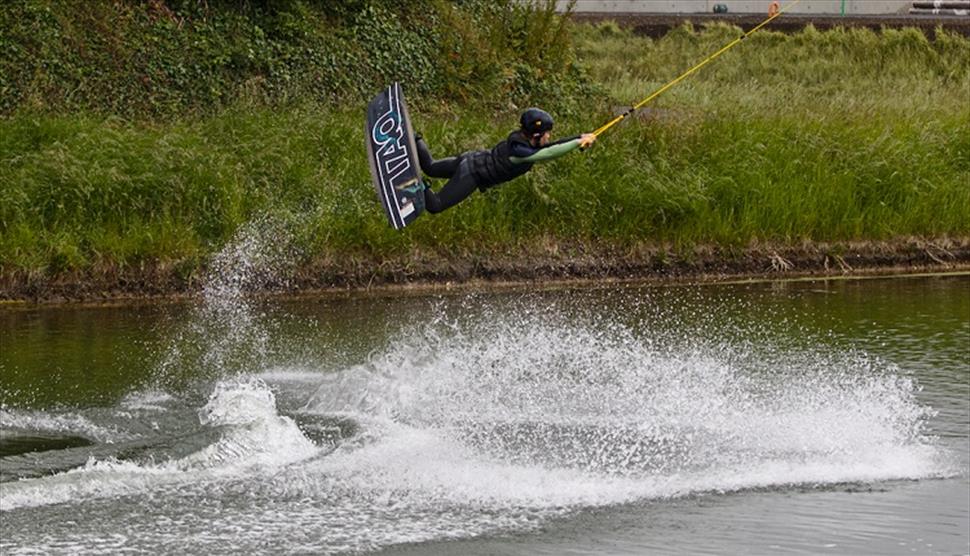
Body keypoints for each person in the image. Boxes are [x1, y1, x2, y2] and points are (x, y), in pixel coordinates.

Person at [416, 108, 597, 214]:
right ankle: (417, 184)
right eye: (548, 133)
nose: (550, 136)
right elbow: (549, 153)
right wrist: (577, 143)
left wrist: (581, 137)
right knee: (435, 205)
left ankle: (415, 140)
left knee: (431, 167)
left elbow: (553, 146)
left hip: (469, 159)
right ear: (536, 134)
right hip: (471, 174)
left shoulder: (523, 140)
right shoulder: (520, 151)